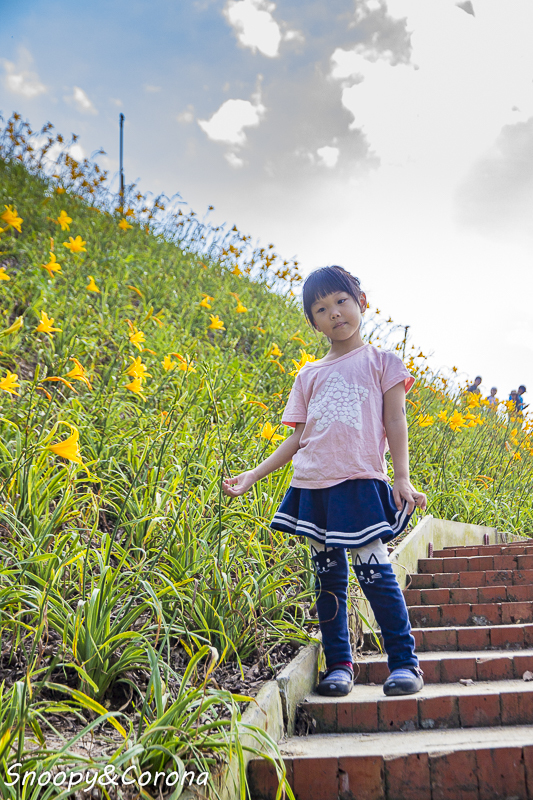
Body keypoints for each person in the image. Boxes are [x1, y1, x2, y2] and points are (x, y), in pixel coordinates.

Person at [222, 265, 426, 700]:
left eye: (341, 301)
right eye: (321, 308)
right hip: (312, 487)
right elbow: (297, 438)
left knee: (375, 573)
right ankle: (339, 666)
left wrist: (402, 478)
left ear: (361, 303)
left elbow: (396, 421)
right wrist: (253, 475)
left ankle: (404, 663)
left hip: (360, 482)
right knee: (328, 580)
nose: (334, 313)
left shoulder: (383, 362)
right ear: (312, 322)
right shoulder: (308, 374)